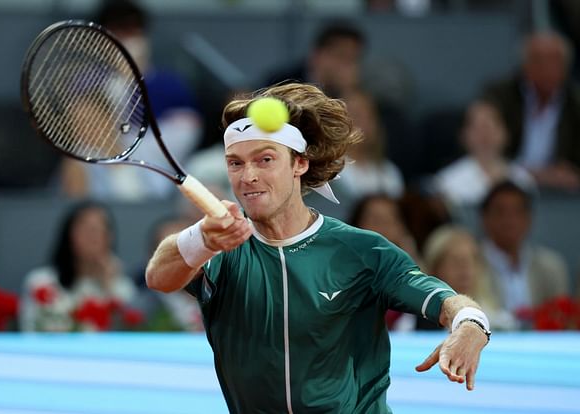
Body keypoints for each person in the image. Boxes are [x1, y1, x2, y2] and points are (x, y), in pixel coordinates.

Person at [146, 83, 490, 413]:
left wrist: (470, 323)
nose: (247, 175)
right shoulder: (220, 249)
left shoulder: (362, 251)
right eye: (235, 162)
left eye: (265, 159)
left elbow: (444, 300)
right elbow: (159, 276)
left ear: (300, 163)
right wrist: (201, 239)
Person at [60, 0, 202, 201]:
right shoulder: (86, 81)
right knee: (74, 164)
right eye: (119, 31)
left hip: (157, 170)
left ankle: (128, 180)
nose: (127, 39)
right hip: (103, 168)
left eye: (133, 31)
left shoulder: (170, 83)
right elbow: (85, 129)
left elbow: (185, 135)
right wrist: (123, 80)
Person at [482, 31, 580, 192]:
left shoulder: (576, 105)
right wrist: (528, 175)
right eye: (538, 61)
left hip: (561, 193)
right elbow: (484, 142)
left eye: (554, 61)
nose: (547, 68)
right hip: (507, 184)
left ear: (566, 66)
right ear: (524, 65)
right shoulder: (500, 96)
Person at [20, 200, 137, 332]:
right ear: (68, 235)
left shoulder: (122, 287)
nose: (93, 237)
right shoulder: (41, 282)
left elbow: (124, 337)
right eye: (86, 229)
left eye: (100, 229)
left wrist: (108, 287)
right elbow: (30, 331)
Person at [479, 181, 570, 328]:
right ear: (484, 218)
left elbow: (561, 319)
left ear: (529, 219)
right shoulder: (471, 264)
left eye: (517, 212)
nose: (509, 221)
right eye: (500, 212)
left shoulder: (551, 266)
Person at [432, 100, 535, 208]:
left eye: (491, 124)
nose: (485, 133)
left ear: (506, 133)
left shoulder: (523, 181)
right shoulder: (446, 183)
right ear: (463, 135)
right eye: (478, 127)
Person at [264, 22, 365, 98]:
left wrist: (348, 91)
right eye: (340, 56)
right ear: (317, 54)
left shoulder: (361, 90)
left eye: (353, 59)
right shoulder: (281, 82)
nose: (346, 65)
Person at [336, 89, 405, 200]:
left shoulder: (389, 172)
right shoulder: (326, 170)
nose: (364, 122)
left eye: (369, 116)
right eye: (356, 115)